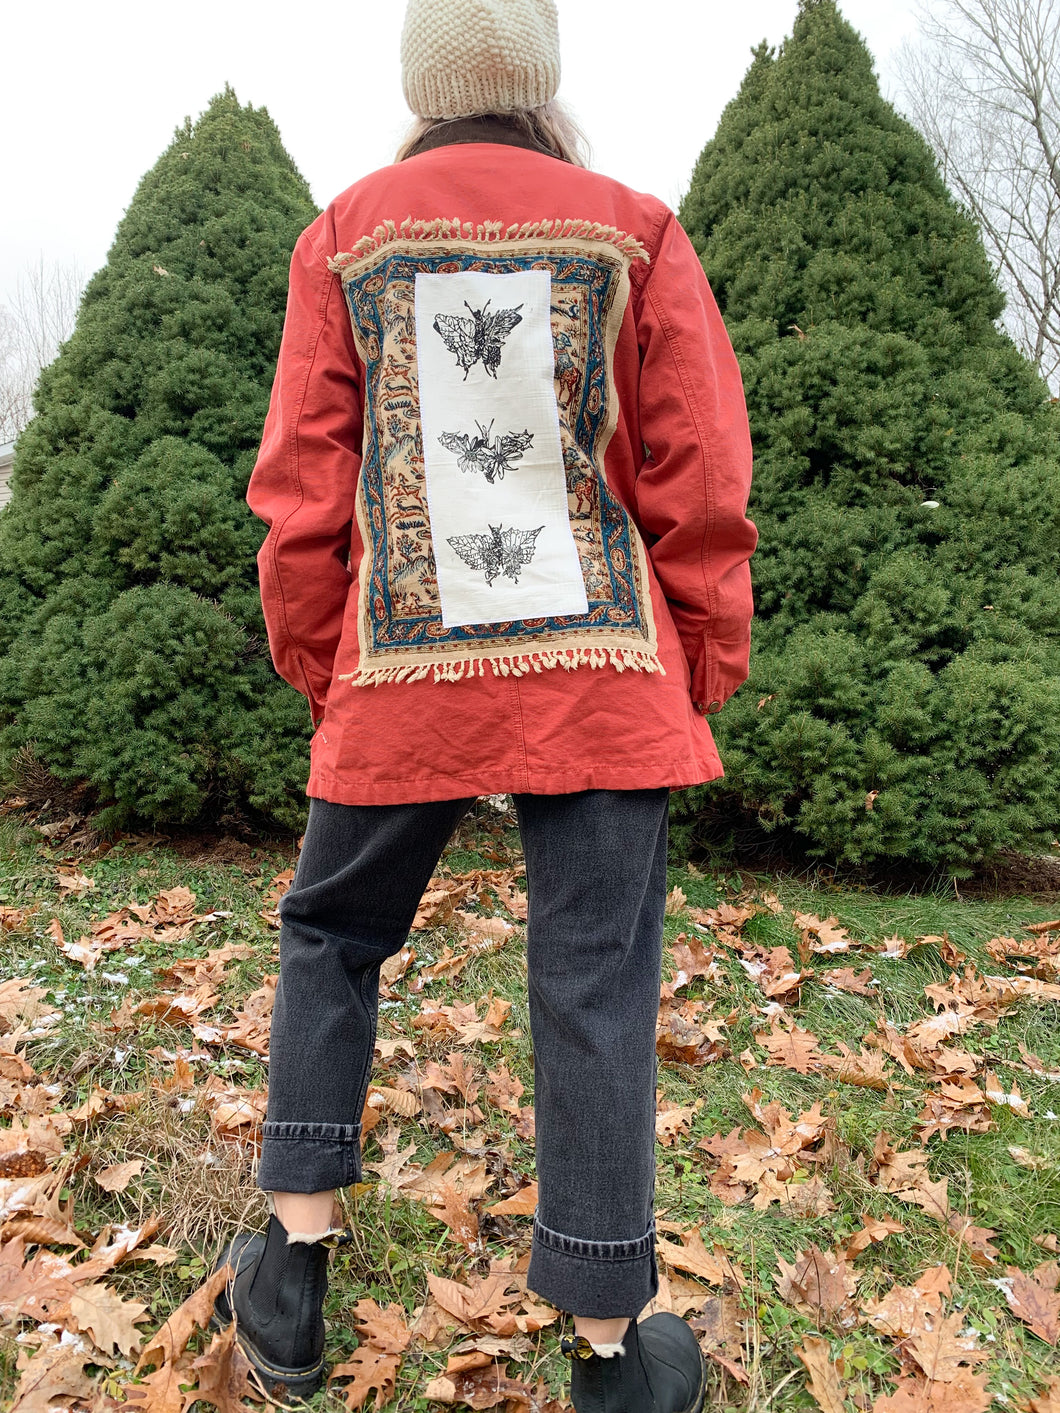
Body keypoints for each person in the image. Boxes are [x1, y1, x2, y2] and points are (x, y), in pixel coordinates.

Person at [210, 1, 757, 1408]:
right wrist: (701, 656)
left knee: (333, 931)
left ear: (425, 83)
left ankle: (291, 1268)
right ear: (539, 81)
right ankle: (606, 1351)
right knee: (595, 984)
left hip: (403, 675)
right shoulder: (635, 228)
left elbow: (299, 492)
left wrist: (321, 659)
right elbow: (698, 474)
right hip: (601, 676)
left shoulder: (344, 235)